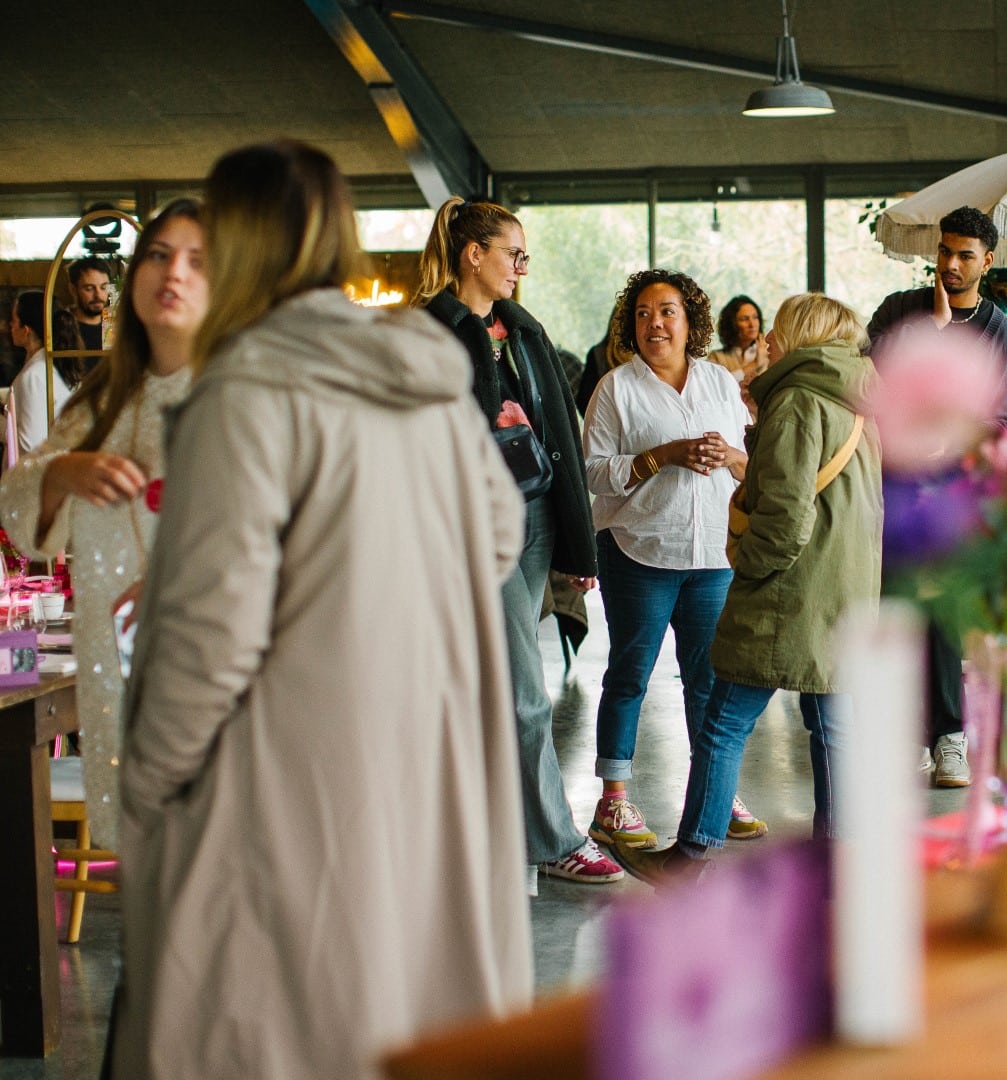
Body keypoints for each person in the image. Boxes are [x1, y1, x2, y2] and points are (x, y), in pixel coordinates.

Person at [111, 141, 534, 1079]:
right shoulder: (418, 379)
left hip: (278, 781)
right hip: (421, 747)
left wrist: (145, 785)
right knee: (389, 1014)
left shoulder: (247, 392)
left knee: (265, 1028)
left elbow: (212, 634)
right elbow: (498, 531)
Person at [619, 292, 882, 885]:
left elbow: (786, 517)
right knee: (833, 725)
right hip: (841, 589)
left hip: (788, 592)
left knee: (723, 720)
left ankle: (690, 858)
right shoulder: (857, 404)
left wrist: (747, 563)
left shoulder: (795, 403)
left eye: (778, 329)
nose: (767, 339)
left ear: (801, 337)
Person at [416, 195, 623, 886]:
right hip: (471, 525)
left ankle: (487, 831)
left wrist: (578, 549)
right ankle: (552, 837)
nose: (521, 268)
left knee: (499, 682)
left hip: (535, 519)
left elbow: (559, 435)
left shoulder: (521, 330)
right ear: (473, 254)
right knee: (524, 690)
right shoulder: (428, 332)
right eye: (514, 254)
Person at [0, 198, 205, 855]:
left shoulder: (255, 396)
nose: (173, 272)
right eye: (158, 254)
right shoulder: (101, 401)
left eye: (196, 260)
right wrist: (62, 475)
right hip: (122, 691)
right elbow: (23, 521)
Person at [581, 269, 762, 852]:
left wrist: (728, 454)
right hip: (639, 551)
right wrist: (660, 456)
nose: (653, 323)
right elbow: (592, 473)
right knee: (630, 674)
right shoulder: (616, 388)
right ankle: (613, 802)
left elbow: (748, 459)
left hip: (713, 551)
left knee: (709, 682)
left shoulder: (719, 382)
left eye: (666, 312)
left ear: (690, 322)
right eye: (642, 314)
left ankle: (715, 792)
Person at [867, 205, 1007, 789]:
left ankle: (950, 736)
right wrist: (929, 331)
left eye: (965, 256)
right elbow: (863, 380)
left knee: (943, 615)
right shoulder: (899, 311)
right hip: (888, 490)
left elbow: (1006, 422)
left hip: (955, 496)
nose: (951, 265)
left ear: (987, 261)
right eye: (945, 252)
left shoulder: (997, 332)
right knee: (893, 611)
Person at [8, 290, 79, 454]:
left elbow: (30, 443)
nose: (10, 326)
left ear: (26, 330)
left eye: (13, 321)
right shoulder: (48, 366)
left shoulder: (34, 376)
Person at [67, 257, 113, 352]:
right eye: (89, 288)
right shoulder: (63, 328)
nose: (98, 295)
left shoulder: (114, 327)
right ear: (73, 289)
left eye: (103, 287)